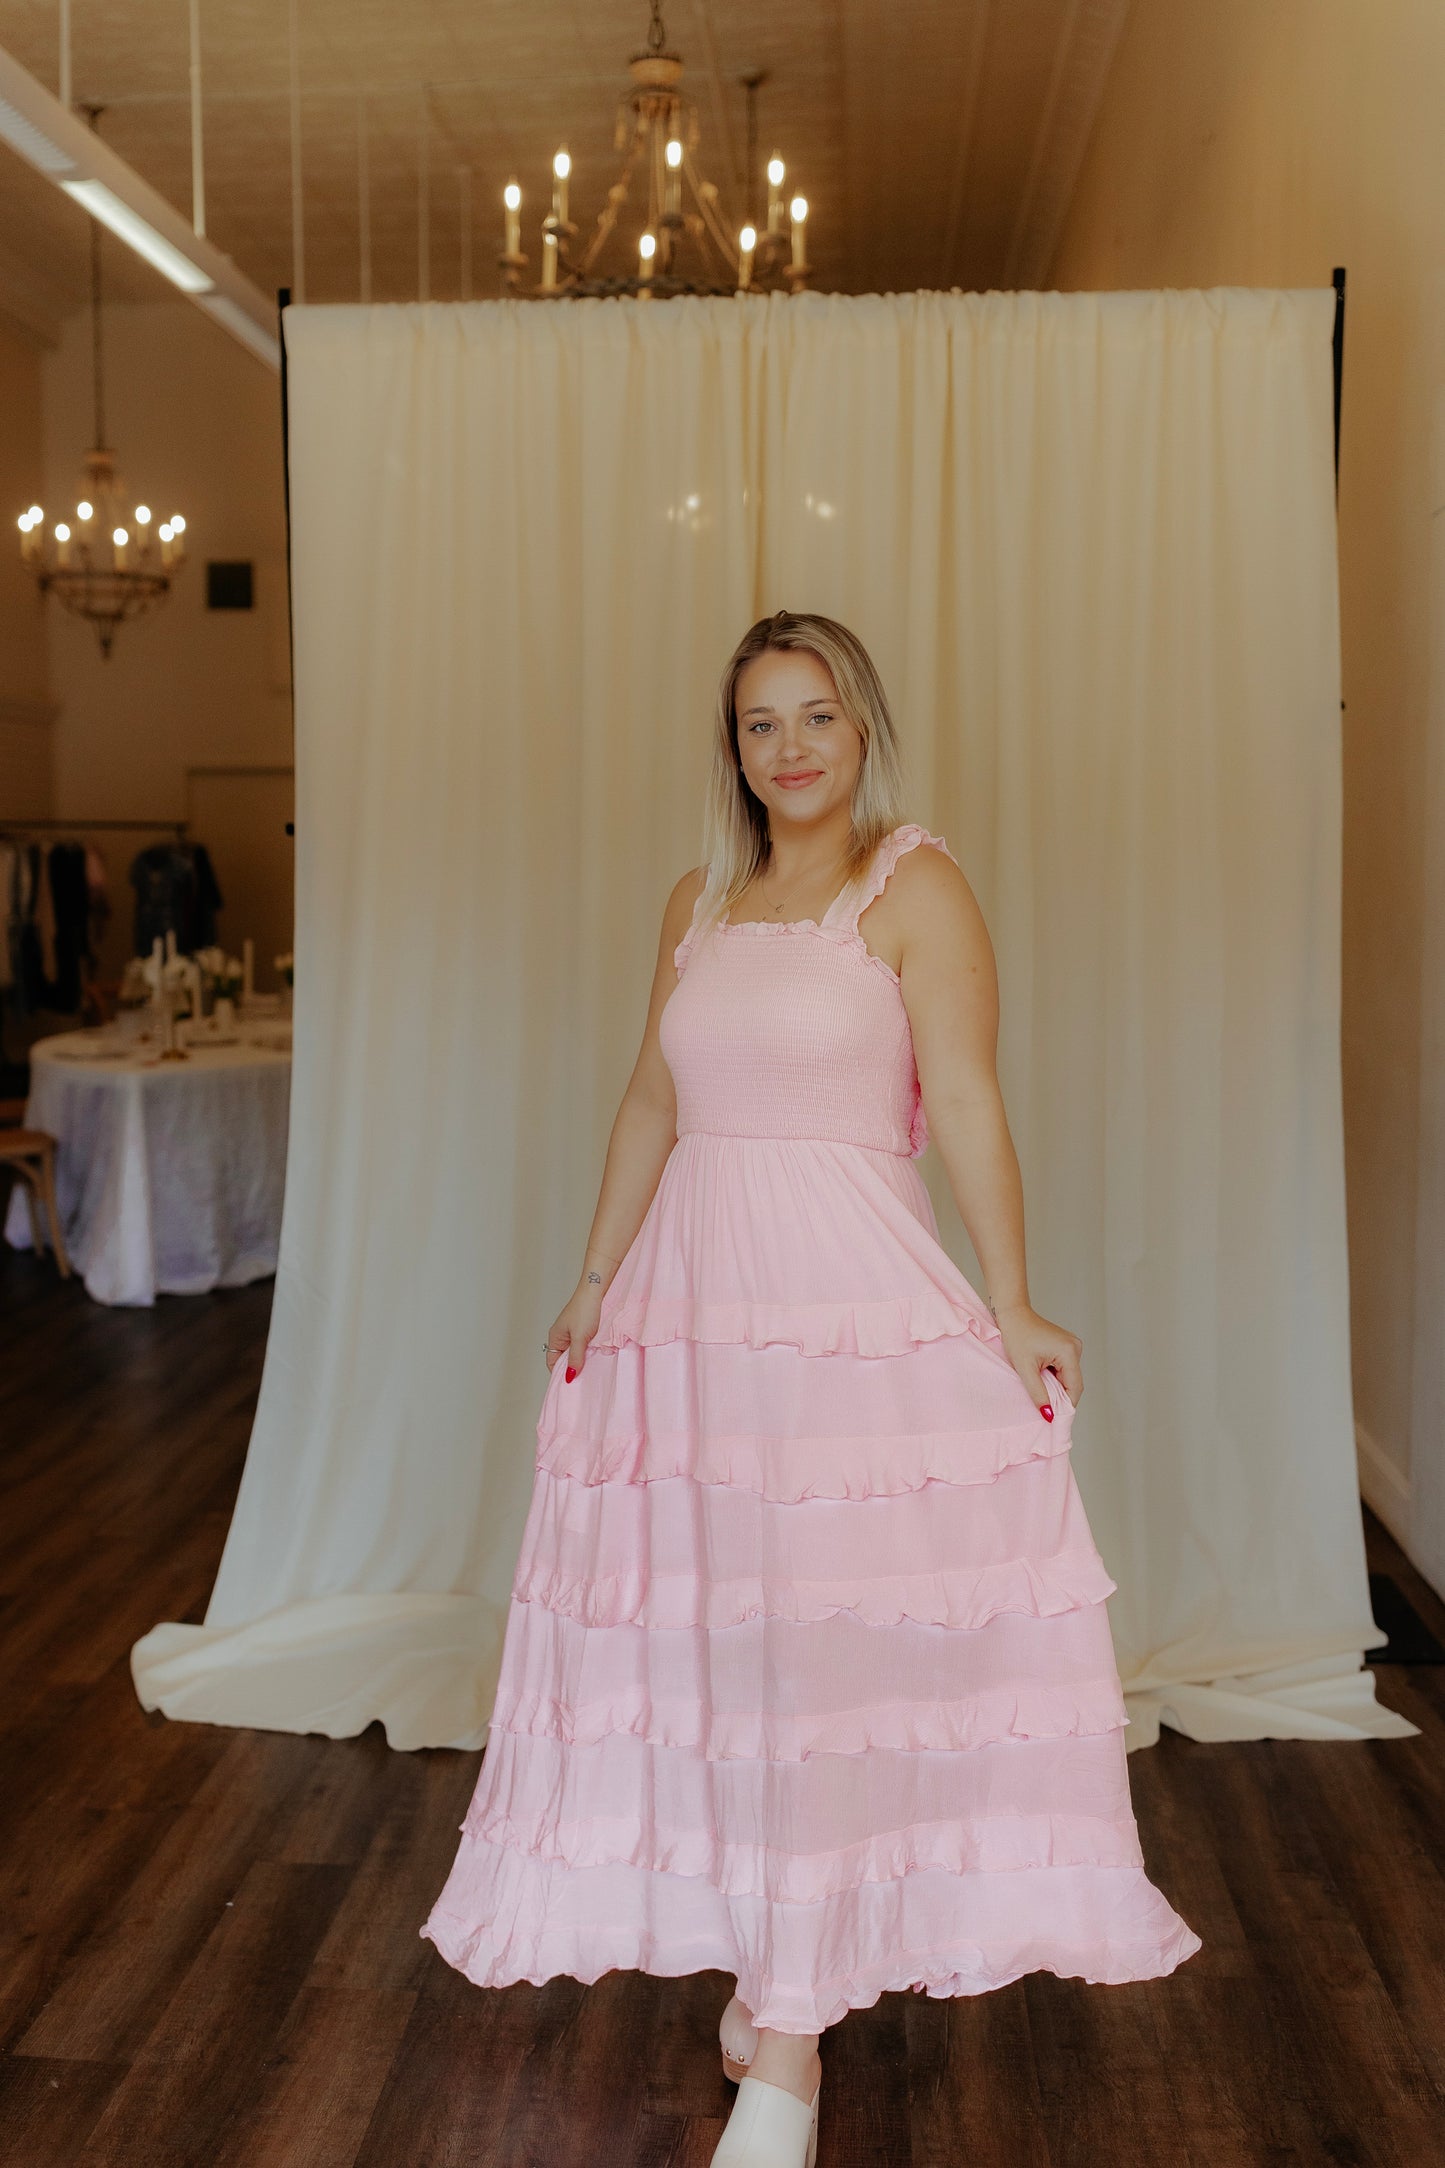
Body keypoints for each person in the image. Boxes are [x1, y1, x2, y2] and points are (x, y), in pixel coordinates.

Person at [422, 609, 1202, 2166]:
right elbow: (652, 1094)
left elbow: (967, 1096)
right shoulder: (696, 903)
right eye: (760, 723)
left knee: (829, 1651)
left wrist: (1013, 1299)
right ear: (735, 747)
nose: (788, 748)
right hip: (690, 1315)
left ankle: (789, 2033)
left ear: (862, 733)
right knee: (725, 1647)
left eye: (816, 718)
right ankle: (773, 1972)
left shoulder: (912, 887)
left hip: (846, 1307)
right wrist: (590, 1276)